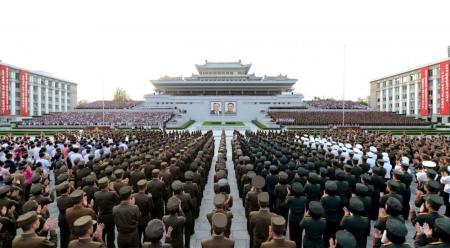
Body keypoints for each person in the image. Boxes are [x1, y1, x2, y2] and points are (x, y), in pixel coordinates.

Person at [94, 177, 119, 248]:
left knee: (102, 234)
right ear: (107, 185)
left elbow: (95, 206)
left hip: (101, 216)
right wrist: (112, 189)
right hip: (110, 217)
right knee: (111, 235)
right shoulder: (112, 194)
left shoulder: (96, 194)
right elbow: (118, 202)